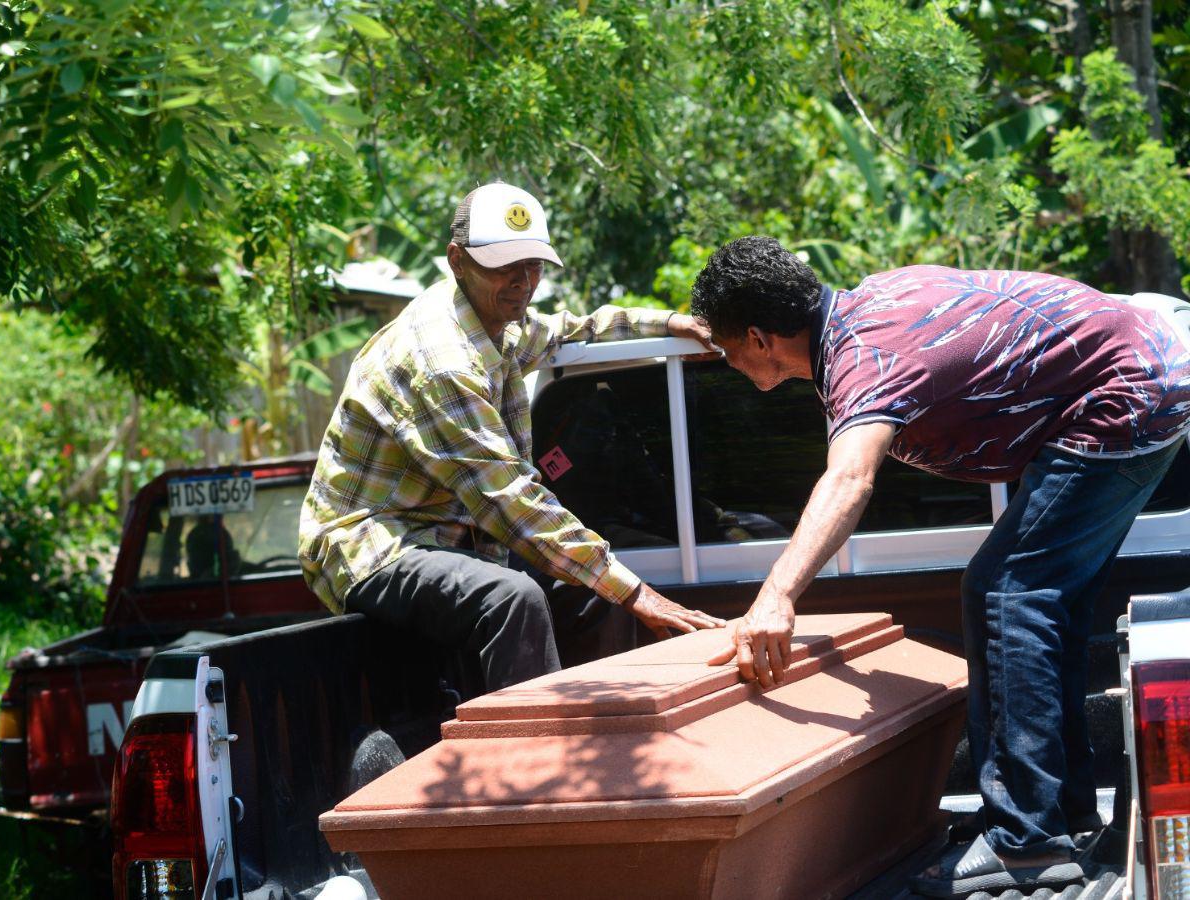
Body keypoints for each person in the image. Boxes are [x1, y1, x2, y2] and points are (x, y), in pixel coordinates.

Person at [689, 236, 1190, 898]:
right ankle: (1059, 814)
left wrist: (775, 598)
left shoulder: (861, 359)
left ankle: (1025, 838)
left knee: (1006, 592)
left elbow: (849, 480)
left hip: (1128, 394)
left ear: (757, 337)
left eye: (725, 349)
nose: (726, 362)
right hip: (1147, 370)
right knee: (1040, 599)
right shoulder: (869, 303)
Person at [298, 182, 723, 696]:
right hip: (374, 545)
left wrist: (672, 322)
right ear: (458, 260)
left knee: (595, 592)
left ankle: (609, 744)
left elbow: (573, 330)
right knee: (513, 597)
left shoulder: (498, 323)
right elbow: (508, 498)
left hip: (454, 538)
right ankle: (531, 762)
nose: (523, 282)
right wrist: (637, 591)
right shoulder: (441, 361)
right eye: (504, 267)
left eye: (533, 266)